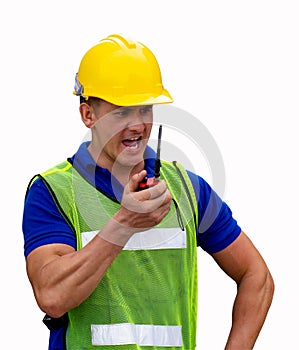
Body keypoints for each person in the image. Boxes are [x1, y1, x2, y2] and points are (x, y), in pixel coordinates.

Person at [22, 34, 274, 350]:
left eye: (144, 110)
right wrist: (123, 223)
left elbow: (257, 277)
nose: (137, 125)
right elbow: (52, 297)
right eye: (121, 112)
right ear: (89, 115)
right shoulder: (53, 192)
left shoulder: (188, 190)